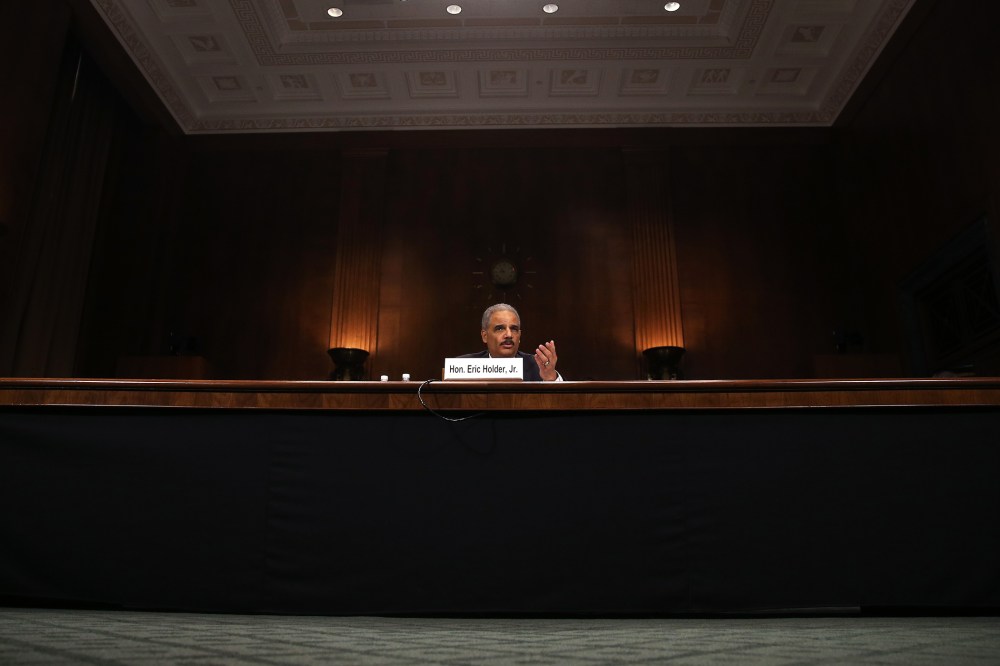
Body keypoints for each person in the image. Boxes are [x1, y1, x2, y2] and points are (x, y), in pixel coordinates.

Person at [458, 303, 562, 381]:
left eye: (514, 329)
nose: (509, 334)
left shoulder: (538, 367)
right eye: (500, 329)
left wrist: (551, 379)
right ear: (485, 336)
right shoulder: (463, 366)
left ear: (519, 336)